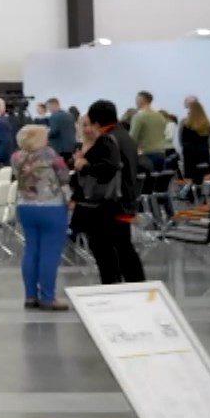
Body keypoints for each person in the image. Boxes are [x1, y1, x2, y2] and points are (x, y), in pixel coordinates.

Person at [76, 100, 146, 284]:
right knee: (123, 246)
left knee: (103, 247)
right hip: (126, 199)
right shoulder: (126, 136)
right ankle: (136, 283)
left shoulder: (107, 139)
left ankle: (111, 285)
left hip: (109, 203)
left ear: (96, 121)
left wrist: (85, 166)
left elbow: (107, 168)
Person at [11, 124, 72, 311]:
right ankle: (47, 297)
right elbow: (64, 176)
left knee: (31, 250)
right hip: (51, 207)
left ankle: (30, 296)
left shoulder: (16, 157)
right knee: (49, 253)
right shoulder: (50, 155)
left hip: (25, 206)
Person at [129, 91, 170, 172]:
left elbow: (132, 138)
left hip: (146, 154)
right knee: (158, 179)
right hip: (161, 153)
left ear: (141, 100)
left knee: (145, 179)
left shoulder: (139, 116)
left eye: (136, 99)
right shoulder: (161, 117)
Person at [180, 97, 210, 181]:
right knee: (205, 175)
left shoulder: (186, 124)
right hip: (204, 153)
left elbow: (182, 140)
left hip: (190, 154)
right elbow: (209, 139)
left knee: (190, 177)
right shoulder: (207, 123)